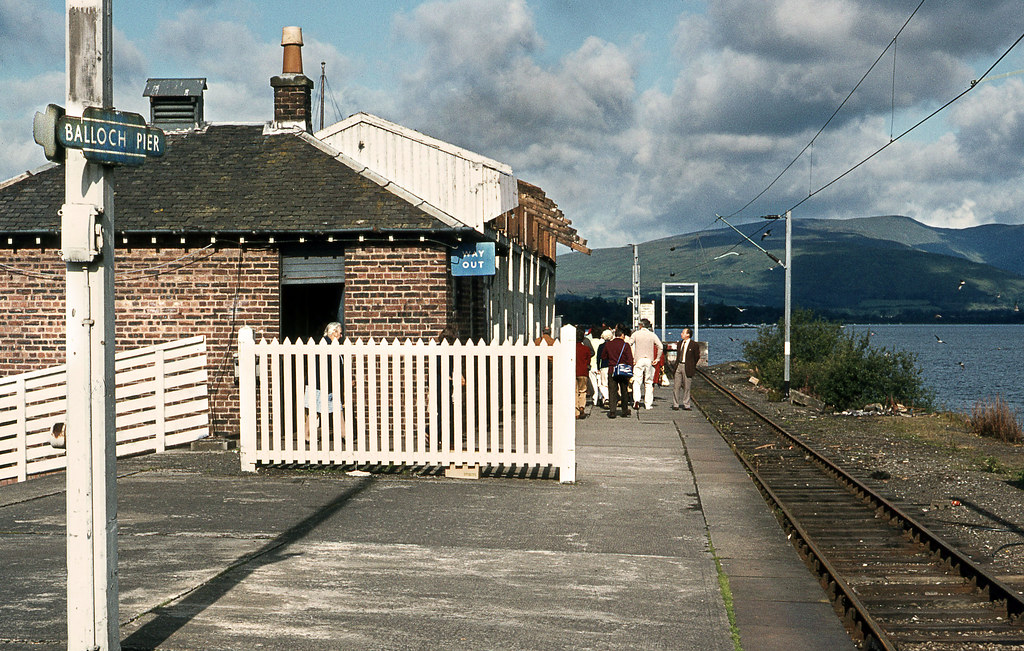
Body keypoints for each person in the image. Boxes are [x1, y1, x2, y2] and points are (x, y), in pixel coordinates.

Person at [305, 321, 344, 446]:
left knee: (338, 409)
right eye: (340, 333)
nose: (341, 336)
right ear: (333, 333)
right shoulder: (325, 345)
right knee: (314, 412)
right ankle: (307, 436)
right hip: (319, 385)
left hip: (330, 385)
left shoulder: (334, 346)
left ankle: (344, 434)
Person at [600, 323, 634, 418]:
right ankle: (624, 410)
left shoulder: (609, 344)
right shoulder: (625, 345)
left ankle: (612, 411)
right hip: (623, 370)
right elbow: (629, 359)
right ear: (622, 335)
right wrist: (631, 371)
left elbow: (603, 356)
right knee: (624, 391)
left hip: (612, 369)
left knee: (612, 391)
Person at [630, 318, 663, 410]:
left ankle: (636, 400)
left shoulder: (635, 334)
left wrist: (632, 357)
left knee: (637, 381)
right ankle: (648, 404)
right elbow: (660, 347)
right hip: (649, 360)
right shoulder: (652, 335)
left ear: (640, 325)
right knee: (648, 382)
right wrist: (657, 358)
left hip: (638, 360)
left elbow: (629, 344)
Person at [673, 327, 701, 411]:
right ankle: (675, 404)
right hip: (679, 365)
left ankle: (686, 404)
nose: (681, 334)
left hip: (688, 366)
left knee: (687, 386)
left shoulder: (694, 345)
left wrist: (692, 365)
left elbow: (696, 356)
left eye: (683, 333)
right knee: (676, 386)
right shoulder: (679, 343)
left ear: (688, 335)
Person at [575, 327, 593, 419]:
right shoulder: (586, 349)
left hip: (573, 372)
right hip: (583, 372)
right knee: (582, 391)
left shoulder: (571, 348)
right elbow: (588, 361)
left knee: (575, 392)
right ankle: (582, 406)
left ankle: (576, 411)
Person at [595, 328, 612, 408]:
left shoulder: (601, 346)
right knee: (612, 383)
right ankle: (613, 398)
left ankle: (606, 398)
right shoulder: (613, 345)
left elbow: (598, 358)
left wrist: (598, 367)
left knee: (603, 384)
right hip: (612, 366)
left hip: (604, 366)